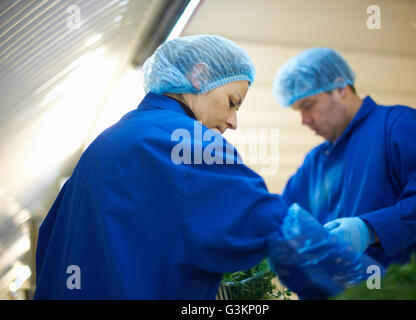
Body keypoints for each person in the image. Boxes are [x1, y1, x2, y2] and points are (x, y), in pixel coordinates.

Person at [34, 36, 380, 300]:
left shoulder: (104, 146)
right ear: (199, 76)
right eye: (232, 102)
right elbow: (277, 227)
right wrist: (376, 286)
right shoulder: (182, 141)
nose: (233, 122)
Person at [272, 47, 416, 267]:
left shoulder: (397, 124)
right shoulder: (315, 163)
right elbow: (280, 216)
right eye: (296, 111)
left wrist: (370, 229)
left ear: (341, 88)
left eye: (308, 106)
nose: (304, 120)